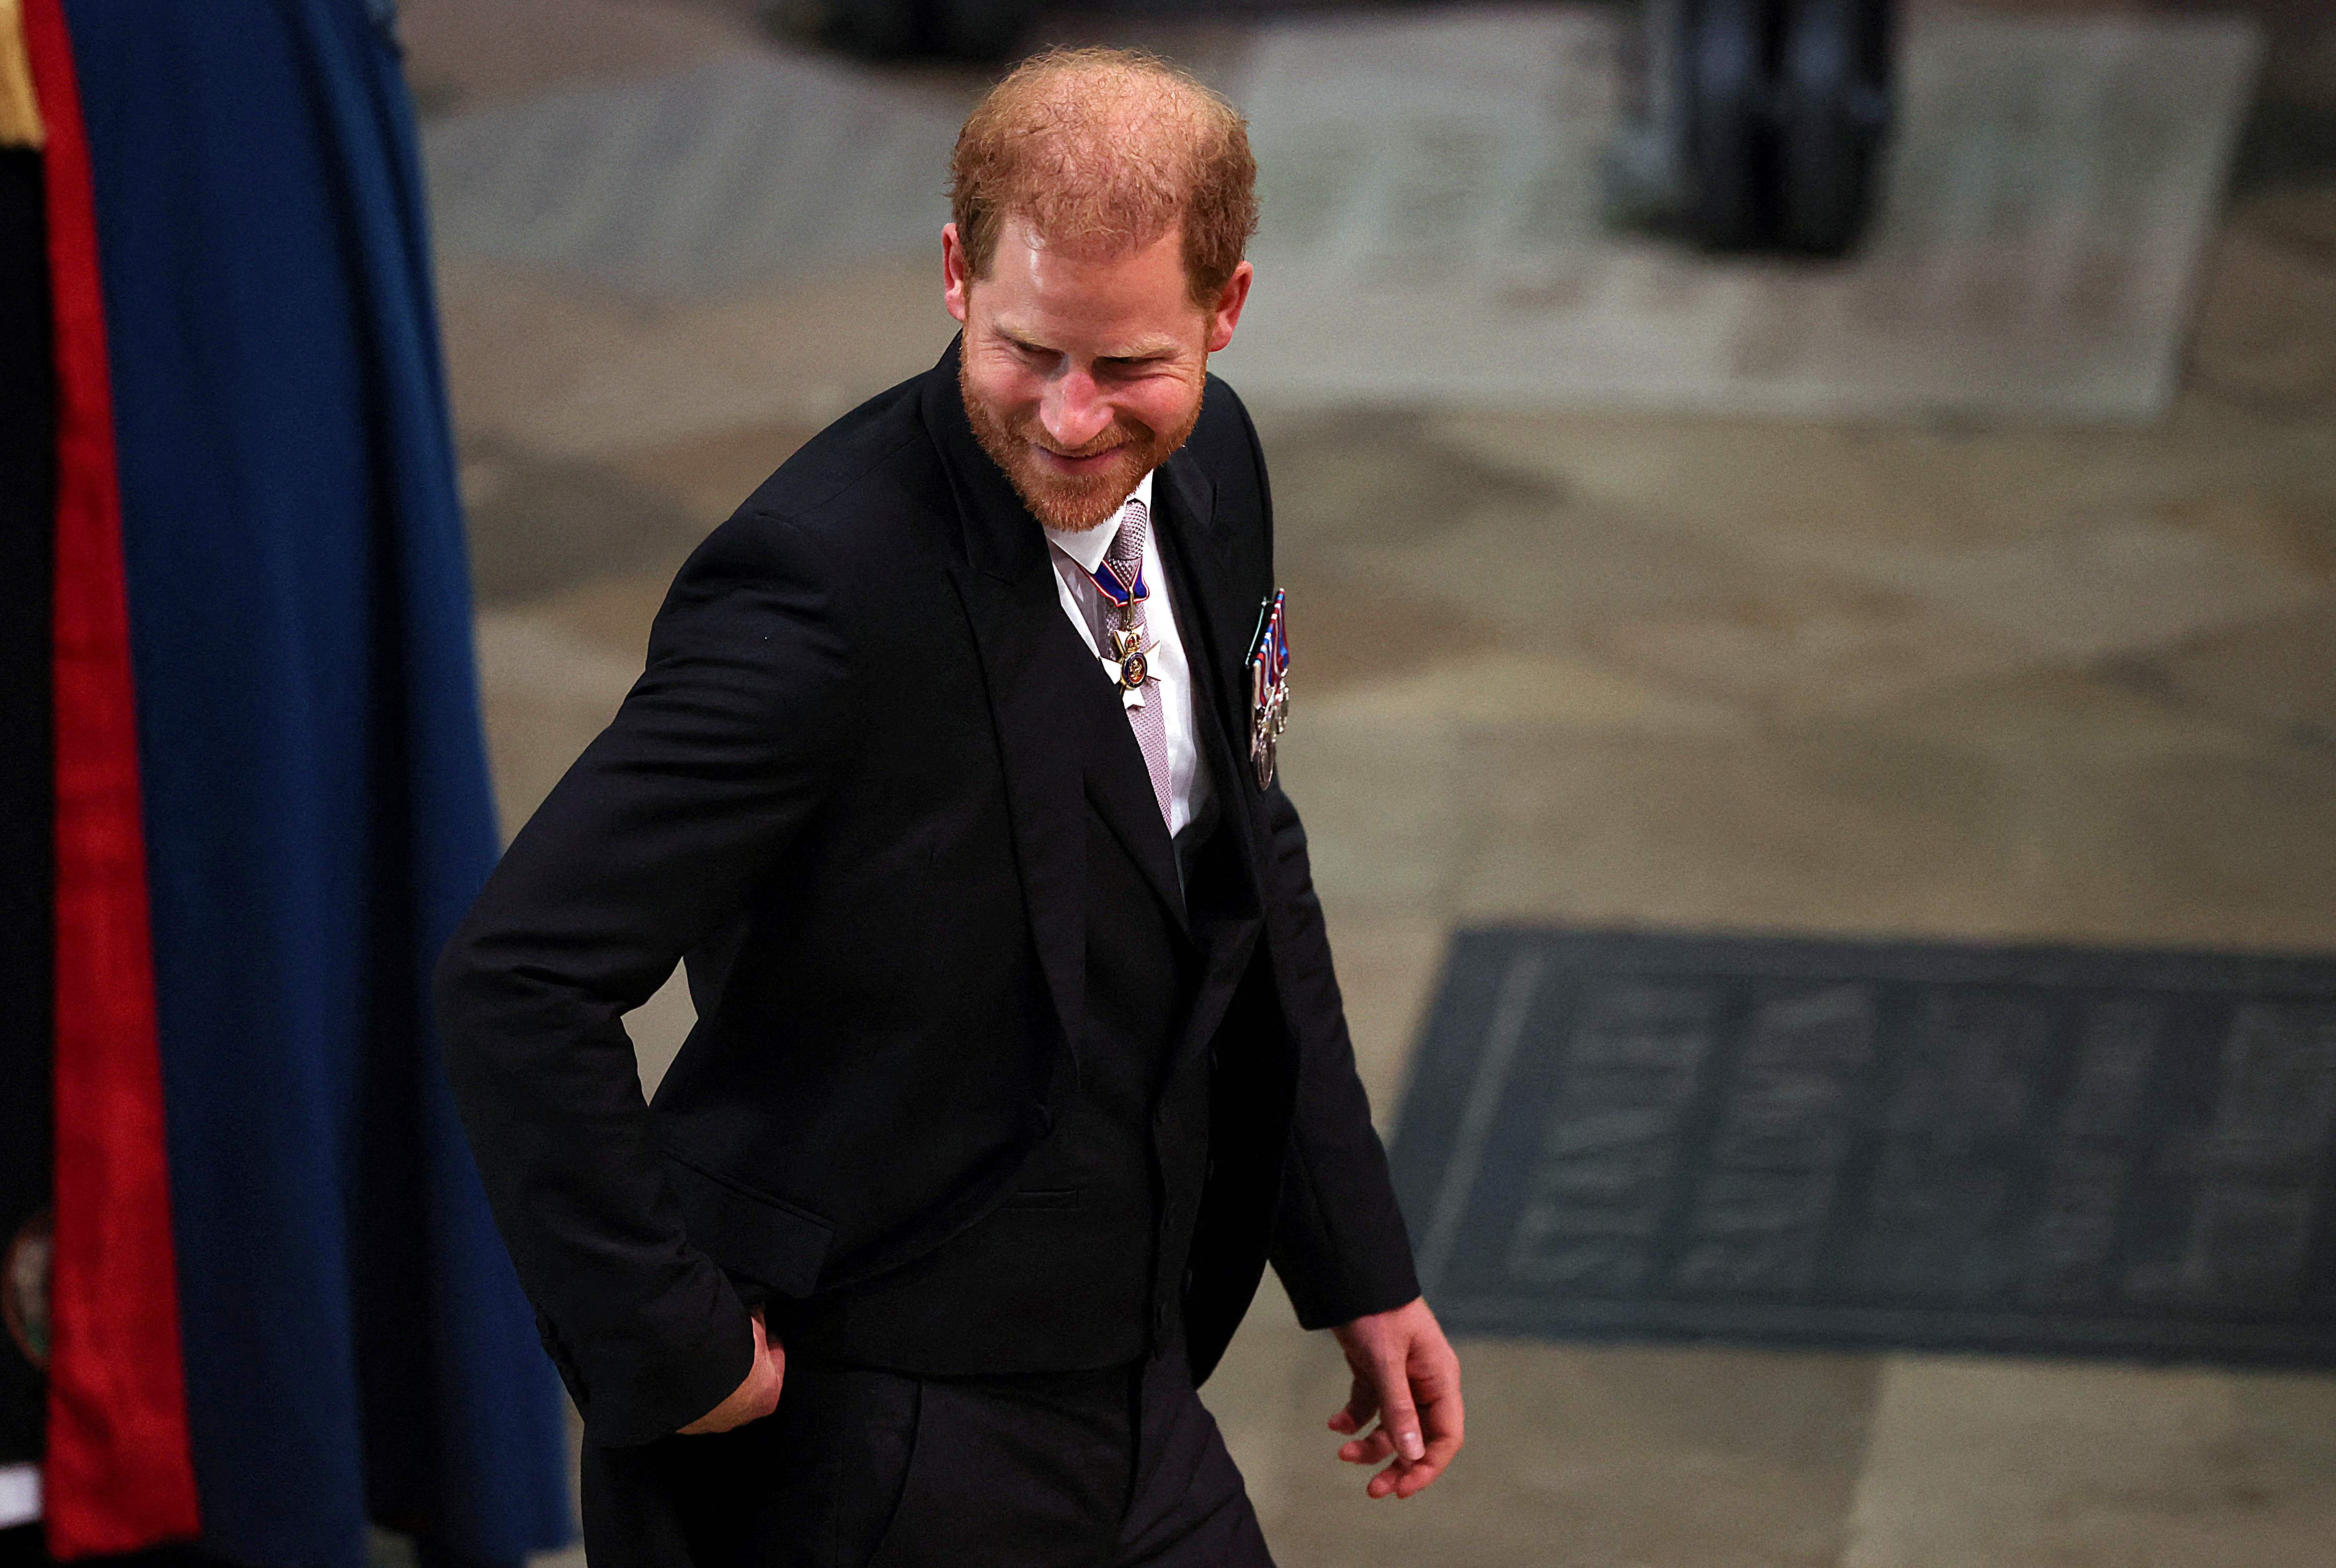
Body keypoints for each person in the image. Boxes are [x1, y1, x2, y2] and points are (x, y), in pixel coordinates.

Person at [435, 45, 1464, 1568]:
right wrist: (674, 1342)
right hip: (866, 1436)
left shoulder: (1215, 466)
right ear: (952, 273)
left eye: (1128, 368)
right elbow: (515, 976)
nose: (1067, 419)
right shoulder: (819, 593)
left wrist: (1356, 1261)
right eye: (1026, 348)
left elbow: (1249, 860)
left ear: (1224, 311)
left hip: (1136, 1389)